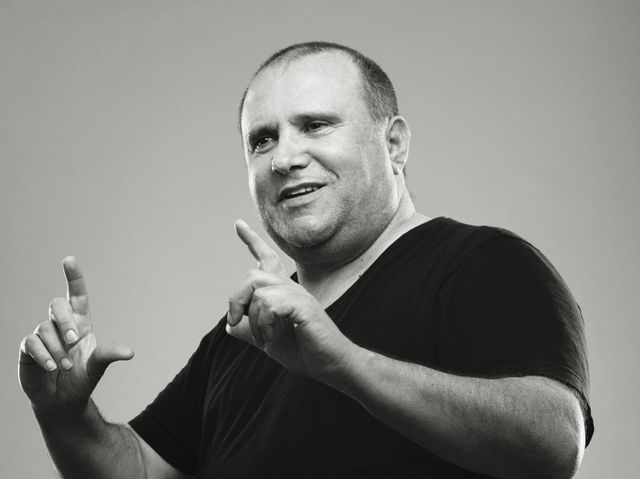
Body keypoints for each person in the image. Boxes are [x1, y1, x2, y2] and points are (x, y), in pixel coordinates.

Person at [19, 42, 593, 479]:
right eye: (262, 140)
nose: (284, 158)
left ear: (393, 143)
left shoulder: (482, 263)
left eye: (315, 125)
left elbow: (553, 443)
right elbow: (144, 471)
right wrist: (65, 415)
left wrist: (344, 365)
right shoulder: (246, 333)